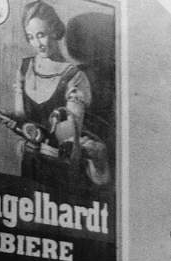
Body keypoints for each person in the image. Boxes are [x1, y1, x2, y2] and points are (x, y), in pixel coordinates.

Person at [11, 0, 110, 187]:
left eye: (41, 35)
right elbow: (20, 121)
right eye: (30, 37)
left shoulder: (75, 77)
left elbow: (68, 138)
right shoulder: (24, 69)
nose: (36, 43)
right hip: (30, 164)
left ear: (55, 31)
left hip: (61, 170)